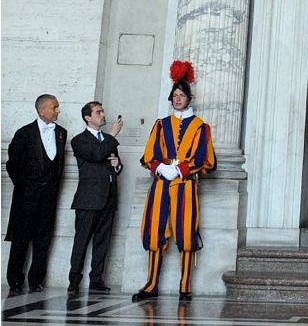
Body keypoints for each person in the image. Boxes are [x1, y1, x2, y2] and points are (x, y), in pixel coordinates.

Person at [132, 61, 216, 302]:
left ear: (189, 97)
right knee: (155, 231)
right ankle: (151, 283)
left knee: (185, 233)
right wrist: (160, 168)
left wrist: (180, 170)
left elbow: (206, 159)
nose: (178, 99)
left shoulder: (201, 127)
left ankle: (185, 284)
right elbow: (148, 156)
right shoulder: (161, 124)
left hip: (186, 186)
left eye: (182, 95)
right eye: (175, 95)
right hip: (161, 185)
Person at [5, 94, 67, 295]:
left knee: (43, 238)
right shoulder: (24, 133)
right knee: (21, 239)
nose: (58, 110)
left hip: (49, 196)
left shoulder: (61, 133)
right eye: (54, 107)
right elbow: (12, 164)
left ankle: (36, 280)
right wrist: (25, 187)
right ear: (42, 110)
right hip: (26, 197)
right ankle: (15, 280)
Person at [67, 102, 124, 295]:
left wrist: (117, 165)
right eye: (98, 112)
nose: (102, 114)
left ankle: (96, 280)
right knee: (81, 241)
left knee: (103, 242)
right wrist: (113, 136)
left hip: (108, 198)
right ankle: (74, 280)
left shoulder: (106, 140)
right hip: (88, 200)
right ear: (88, 117)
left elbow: (113, 165)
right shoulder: (79, 140)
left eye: (102, 111)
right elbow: (97, 154)